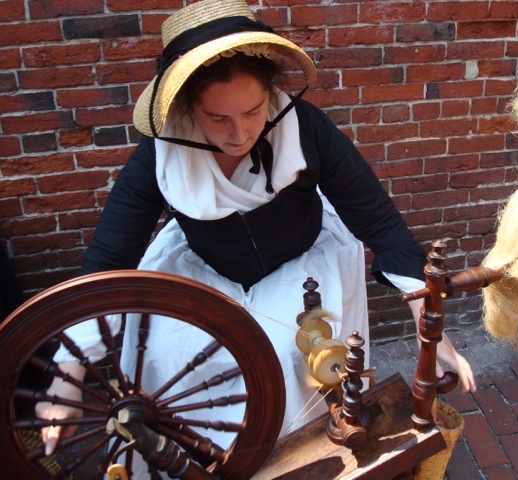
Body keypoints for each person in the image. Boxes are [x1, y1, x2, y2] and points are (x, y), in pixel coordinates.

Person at [36, 0, 476, 472]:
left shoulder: (305, 127)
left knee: (292, 368)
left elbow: (378, 220)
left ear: (271, 90)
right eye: (217, 118)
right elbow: (109, 256)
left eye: (253, 110)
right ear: (186, 106)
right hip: (203, 273)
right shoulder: (160, 153)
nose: (241, 133)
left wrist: (429, 325)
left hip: (301, 266)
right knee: (175, 371)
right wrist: (66, 376)